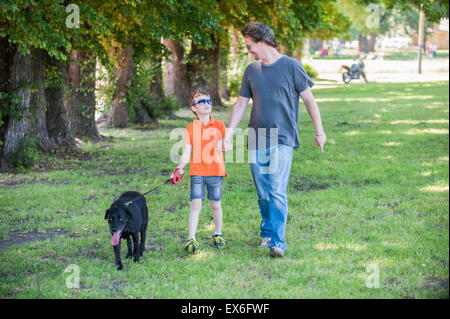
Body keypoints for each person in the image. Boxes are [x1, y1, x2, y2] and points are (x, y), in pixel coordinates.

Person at [218, 22, 326, 258]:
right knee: (263, 192)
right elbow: (240, 104)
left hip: (282, 137)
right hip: (256, 137)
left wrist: (319, 132)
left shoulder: (291, 66)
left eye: (249, 46)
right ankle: (267, 231)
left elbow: (309, 100)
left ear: (262, 42)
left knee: (276, 189)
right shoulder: (252, 71)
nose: (248, 50)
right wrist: (228, 133)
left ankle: (278, 241)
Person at [172, 90, 227, 254]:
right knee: (196, 204)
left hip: (216, 171)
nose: (206, 104)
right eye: (201, 102)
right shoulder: (190, 128)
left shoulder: (219, 125)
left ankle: (218, 234)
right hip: (197, 171)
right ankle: (191, 239)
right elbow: (187, 152)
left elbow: (227, 145)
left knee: (215, 204)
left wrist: (225, 145)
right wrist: (179, 168)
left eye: (209, 101)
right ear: (194, 108)